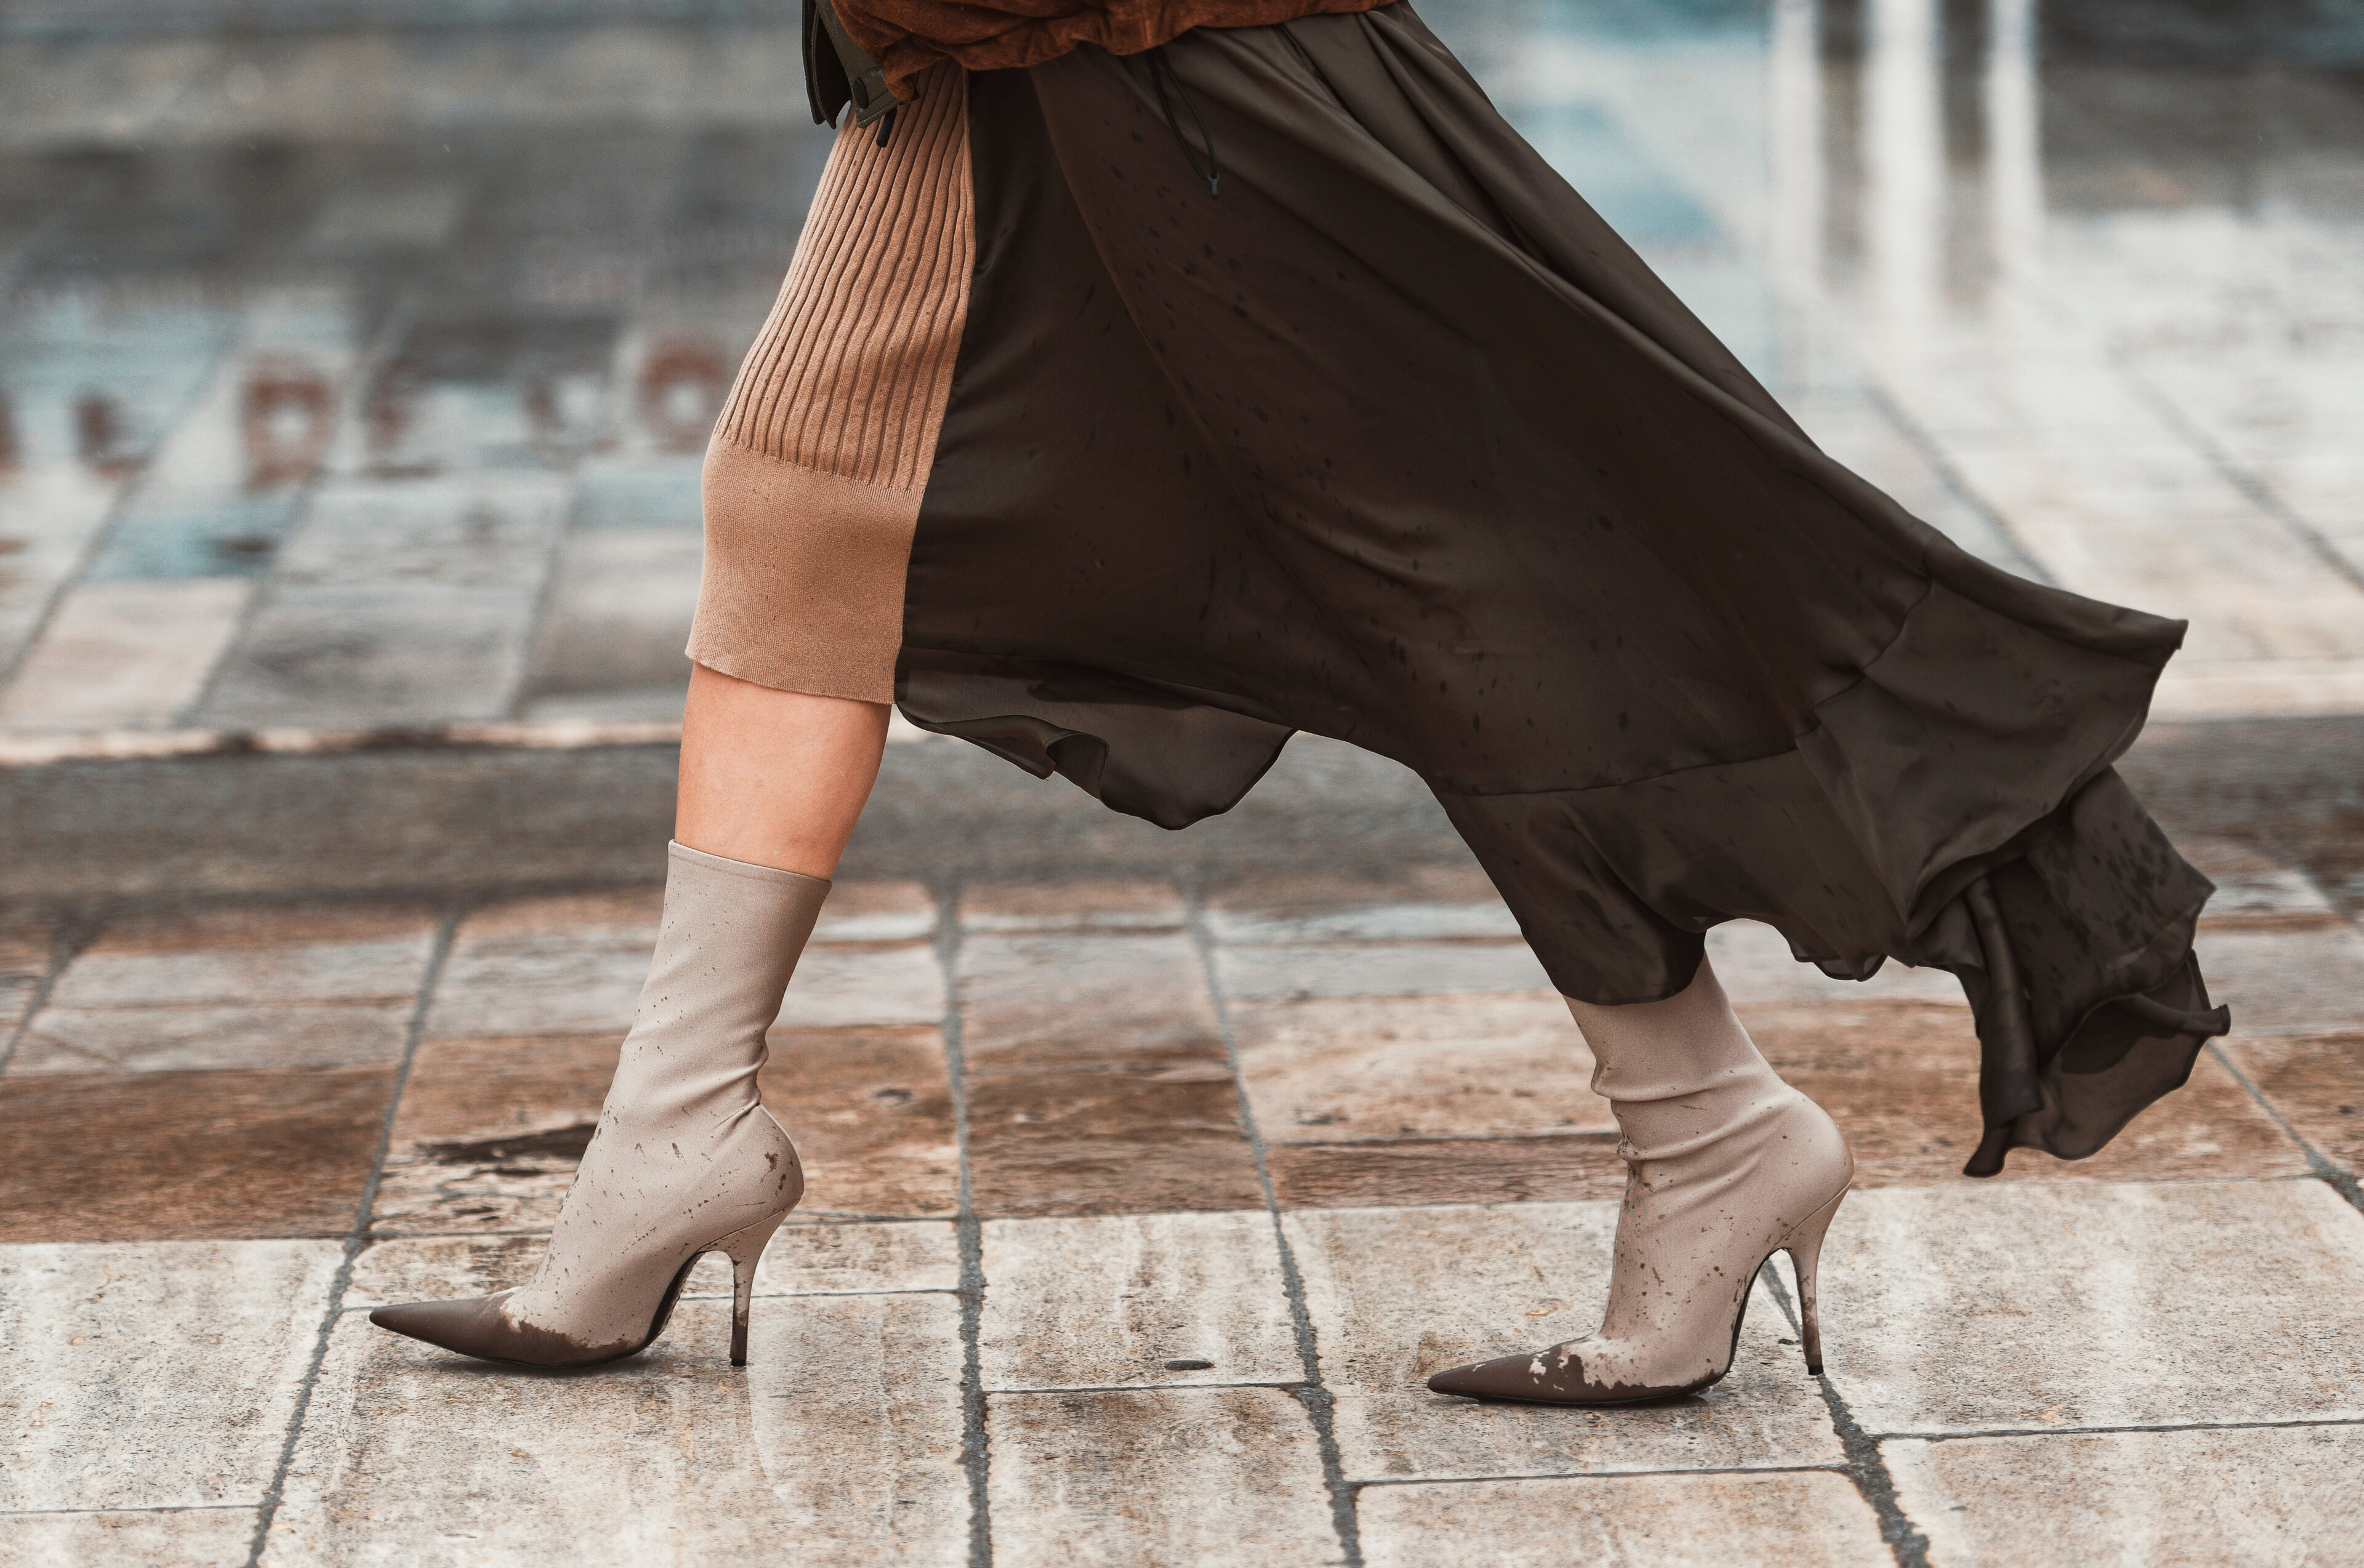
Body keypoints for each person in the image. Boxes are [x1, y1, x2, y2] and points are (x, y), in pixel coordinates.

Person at [369, 0, 2229, 1404]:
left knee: (1468, 578)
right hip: (1008, 43)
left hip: (1160, 42)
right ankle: (669, 1134)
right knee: (816, 503)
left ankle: (1715, 1132)